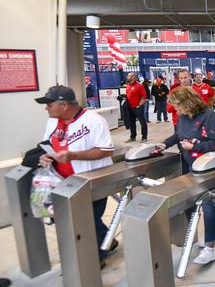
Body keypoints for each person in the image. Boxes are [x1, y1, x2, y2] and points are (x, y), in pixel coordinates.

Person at [35, 85, 117, 267]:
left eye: (49, 104)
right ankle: (107, 240)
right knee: (79, 219)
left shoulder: (93, 121)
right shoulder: (52, 122)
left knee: (87, 220)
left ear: (64, 105)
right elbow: (48, 144)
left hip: (92, 181)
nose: (46, 108)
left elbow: (105, 150)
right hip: (62, 182)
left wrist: (73, 155)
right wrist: (44, 156)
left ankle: (94, 260)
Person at [155, 87, 215, 265]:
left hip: (210, 166)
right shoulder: (183, 117)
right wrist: (164, 144)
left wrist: (194, 147)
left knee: (208, 203)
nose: (176, 111)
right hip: (191, 165)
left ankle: (209, 248)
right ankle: (213, 231)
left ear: (188, 103)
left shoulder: (209, 116)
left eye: (178, 106)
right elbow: (178, 136)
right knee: (190, 201)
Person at [125, 72, 148, 142]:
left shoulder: (139, 86)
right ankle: (133, 136)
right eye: (128, 76)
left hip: (138, 107)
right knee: (132, 122)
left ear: (134, 77)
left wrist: (140, 105)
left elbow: (144, 96)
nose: (127, 77)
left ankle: (144, 137)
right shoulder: (128, 85)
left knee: (142, 122)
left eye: (129, 76)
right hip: (130, 107)